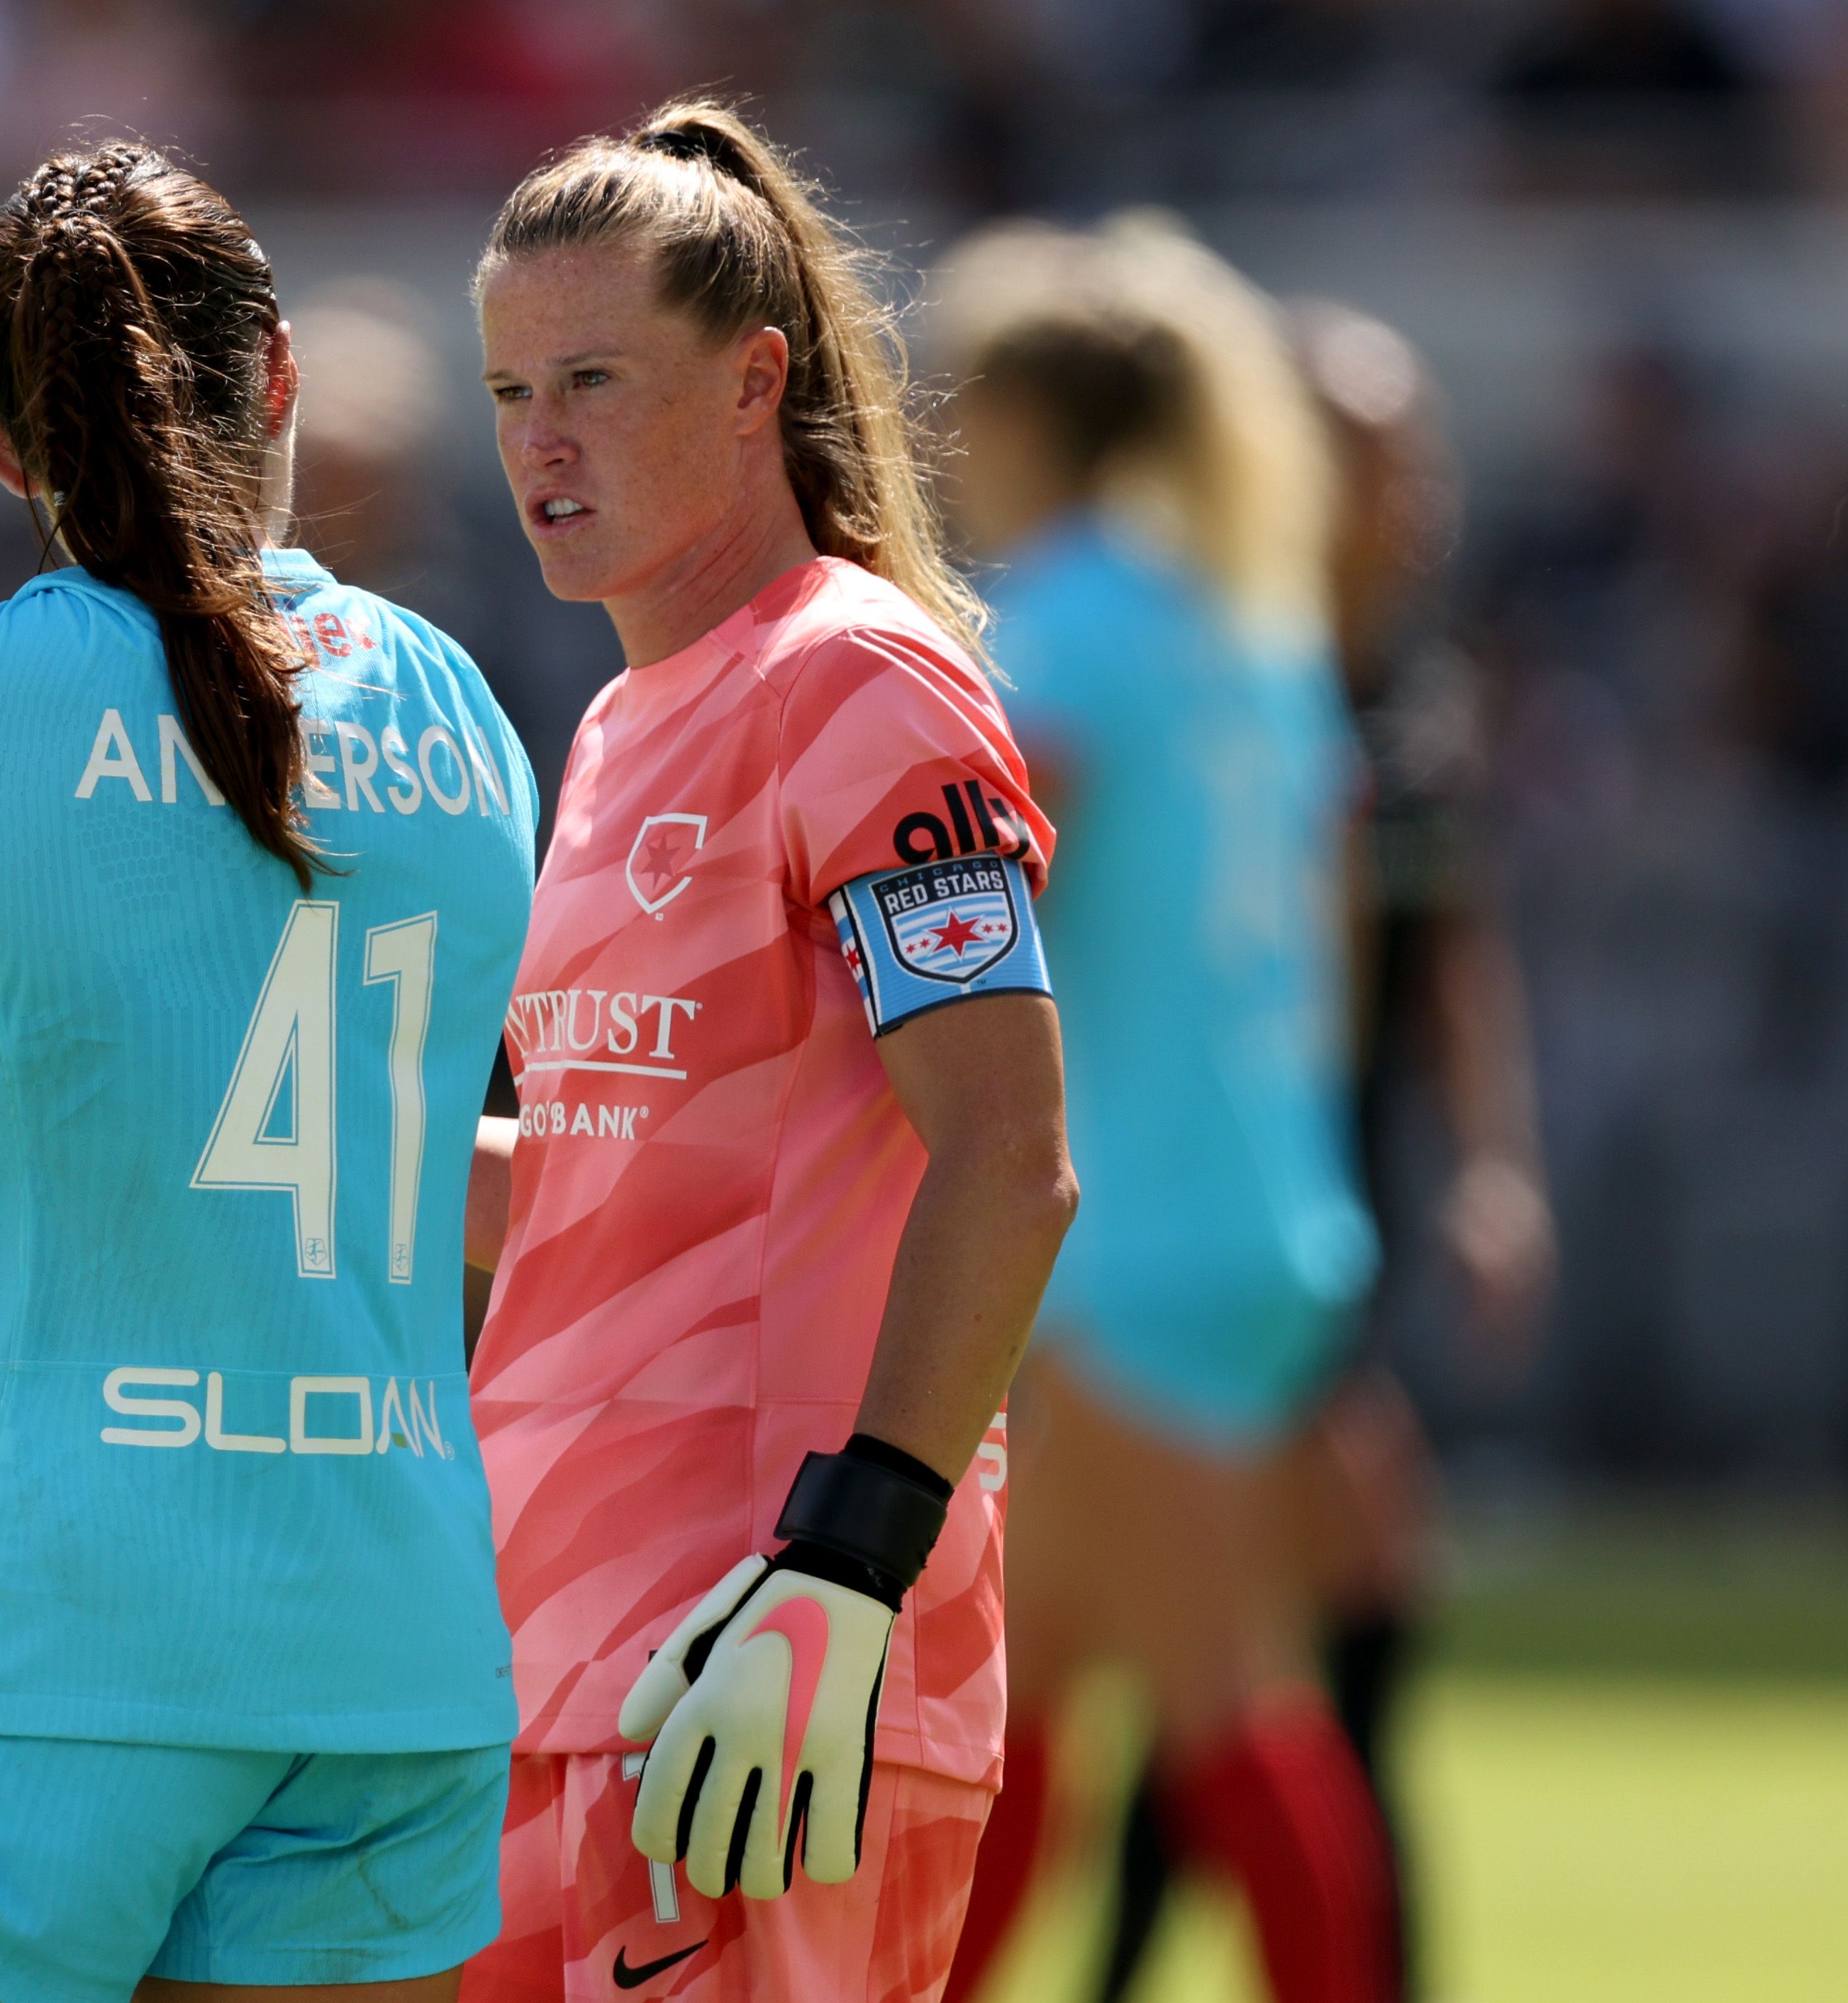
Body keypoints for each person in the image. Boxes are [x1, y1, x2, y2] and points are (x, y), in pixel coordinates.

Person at [0, 142, 539, 2003]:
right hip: (390, 1652)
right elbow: (463, 1176)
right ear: (278, 382)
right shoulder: (453, 709)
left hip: (31, 1645)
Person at [457, 101, 1078, 2003]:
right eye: (506, 393)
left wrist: (846, 1572)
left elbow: (1007, 1155)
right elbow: (601, 1192)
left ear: (753, 383)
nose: (539, 444)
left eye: (592, 382)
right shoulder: (616, 727)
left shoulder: (861, 680)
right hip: (546, 1660)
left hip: (766, 1664)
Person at [931, 218, 1392, 2003]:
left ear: (1026, 415)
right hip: (1260, 1208)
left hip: (1129, 1235)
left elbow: (982, 860)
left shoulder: (1056, 624)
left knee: (1226, 1700)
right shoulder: (1256, 628)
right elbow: (1331, 910)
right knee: (1017, 1680)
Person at [1079, 301, 1557, 2003]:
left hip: (1282, 1240)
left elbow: (1446, 953)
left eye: (1418, 451)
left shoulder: (1394, 694)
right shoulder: (1211, 670)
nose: (1415, 492)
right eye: (1379, 453)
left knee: (1226, 1654)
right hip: (1182, 1250)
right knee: (1261, 1651)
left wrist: (1493, 1165)